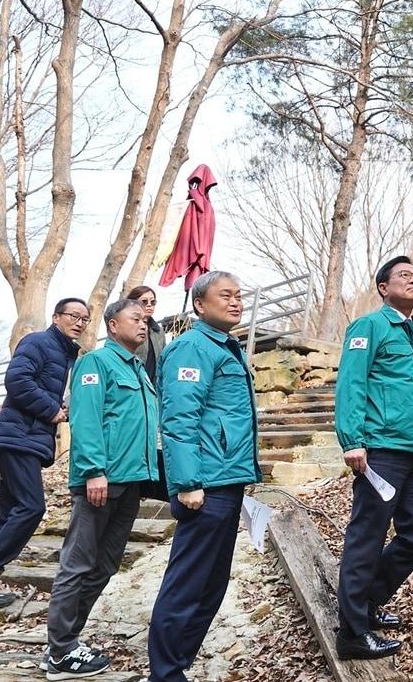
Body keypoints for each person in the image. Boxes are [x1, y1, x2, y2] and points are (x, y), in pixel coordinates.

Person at [146, 271, 260, 682]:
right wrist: (187, 482)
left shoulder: (226, 347)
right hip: (205, 484)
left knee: (211, 584)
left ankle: (176, 666)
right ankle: (164, 673)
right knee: (188, 584)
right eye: (225, 295)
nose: (236, 301)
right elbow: (179, 420)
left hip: (227, 480)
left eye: (239, 295)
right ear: (199, 304)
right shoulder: (191, 348)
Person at [43, 298, 159, 680]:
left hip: (131, 481)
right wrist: (94, 471)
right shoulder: (96, 362)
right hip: (101, 481)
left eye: (145, 320)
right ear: (113, 325)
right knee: (77, 564)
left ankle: (65, 644)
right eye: (135, 318)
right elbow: (86, 418)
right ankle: (60, 651)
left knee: (105, 566)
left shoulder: (138, 369)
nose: (143, 324)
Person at [334, 255, 413, 661]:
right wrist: (352, 439)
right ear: (383, 287)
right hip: (381, 450)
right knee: (367, 537)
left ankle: (367, 602)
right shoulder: (369, 326)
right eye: (405, 275)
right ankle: (352, 633)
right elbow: (351, 383)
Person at [0, 298, 86, 609]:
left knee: (10, 512)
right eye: (73, 315)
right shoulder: (38, 342)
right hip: (18, 437)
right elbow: (16, 380)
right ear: (56, 317)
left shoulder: (65, 353)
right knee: (31, 507)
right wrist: (51, 409)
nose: (79, 322)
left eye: (85, 319)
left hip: (26, 438)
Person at [127, 284, 165, 387]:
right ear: (132, 303)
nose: (149, 305)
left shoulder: (159, 332)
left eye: (153, 302)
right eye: (144, 301)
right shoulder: (125, 328)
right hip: (130, 384)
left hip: (152, 388)